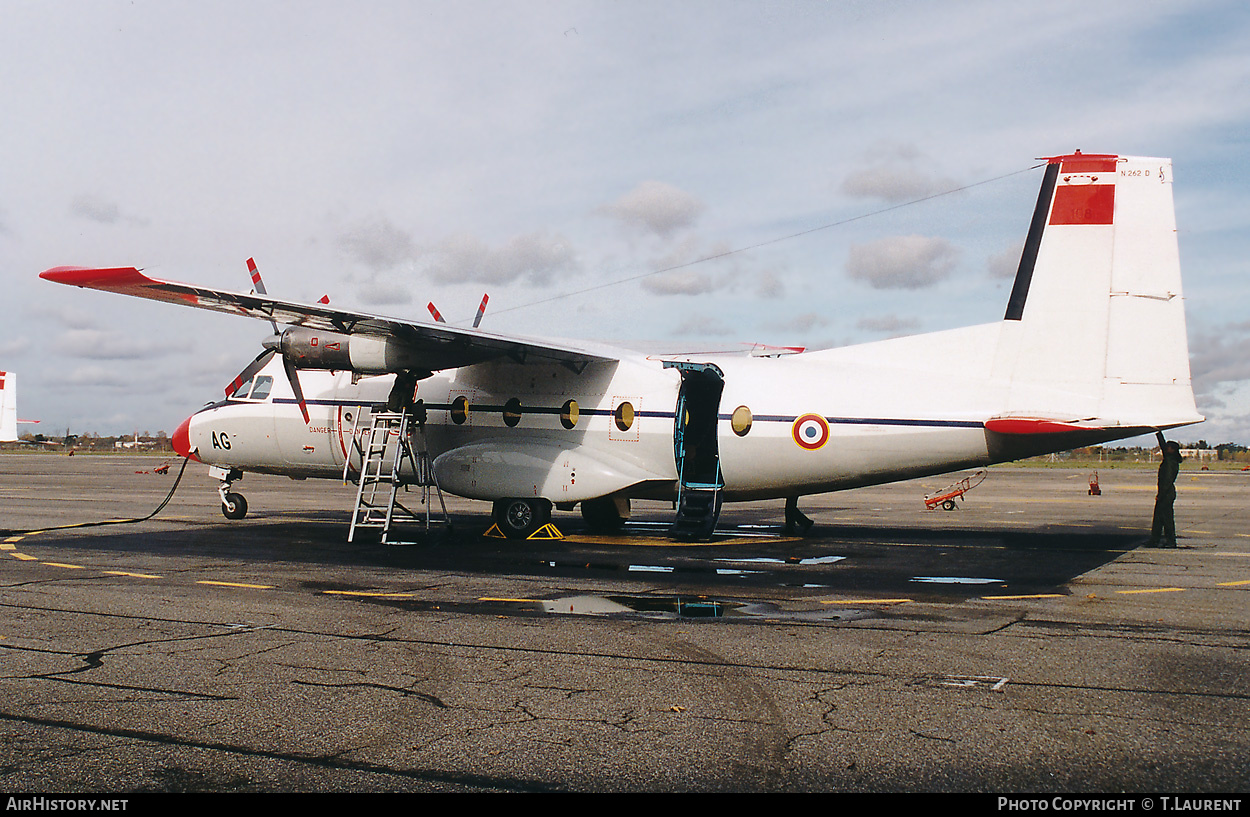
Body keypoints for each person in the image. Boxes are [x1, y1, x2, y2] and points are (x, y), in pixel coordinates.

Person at [1149, 435, 1182, 548]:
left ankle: (1171, 541)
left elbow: (1167, 481)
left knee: (1166, 519)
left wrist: (1160, 495)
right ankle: (1154, 540)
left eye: (1168, 447)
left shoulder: (1170, 462)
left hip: (1166, 493)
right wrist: (1158, 433)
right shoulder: (1170, 459)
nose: (1165, 449)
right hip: (1165, 492)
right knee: (1158, 518)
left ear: (1172, 450)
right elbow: (1163, 446)